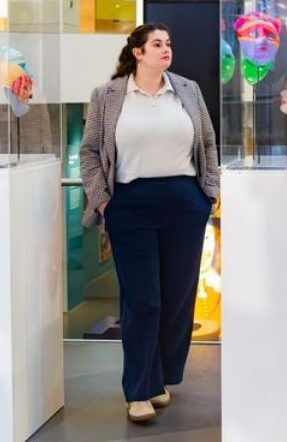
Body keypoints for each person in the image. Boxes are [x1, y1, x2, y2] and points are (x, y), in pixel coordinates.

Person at [80, 23, 219, 423]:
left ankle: (159, 379)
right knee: (144, 301)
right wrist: (104, 202)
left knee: (177, 299)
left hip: (183, 202)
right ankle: (138, 390)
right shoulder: (107, 96)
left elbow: (207, 141)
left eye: (169, 43)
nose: (166, 49)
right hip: (130, 204)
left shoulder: (187, 90)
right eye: (157, 44)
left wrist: (206, 193)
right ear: (138, 53)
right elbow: (90, 151)